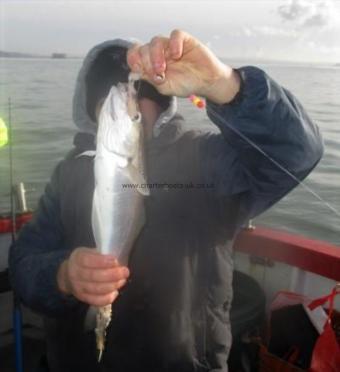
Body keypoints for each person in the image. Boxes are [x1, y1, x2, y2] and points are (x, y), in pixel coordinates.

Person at [9, 30, 323, 372]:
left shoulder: (207, 162)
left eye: (140, 95)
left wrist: (224, 85)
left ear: (162, 104)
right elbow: (23, 265)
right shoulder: (66, 173)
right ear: (91, 111)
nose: (126, 103)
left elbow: (298, 152)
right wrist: (61, 276)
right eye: (106, 97)